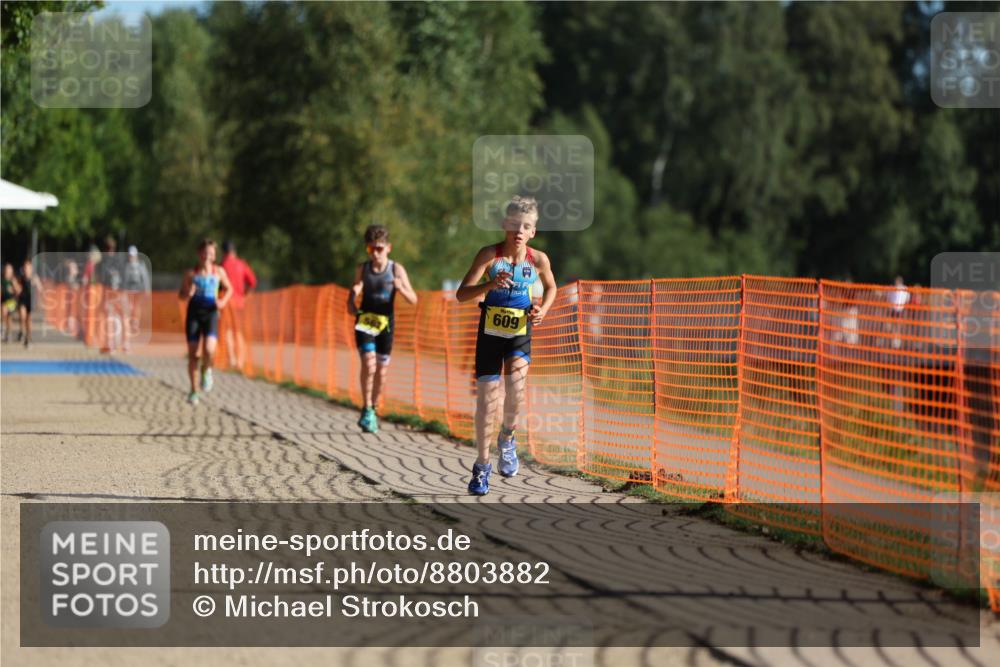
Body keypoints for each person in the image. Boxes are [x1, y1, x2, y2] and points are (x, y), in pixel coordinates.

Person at [455, 196, 557, 495]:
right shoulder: (489, 255)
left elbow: (551, 287)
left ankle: (508, 438)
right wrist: (488, 285)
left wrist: (544, 310)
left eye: (526, 226)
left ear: (533, 231)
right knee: (487, 402)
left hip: (520, 331)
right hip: (490, 333)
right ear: (504, 225)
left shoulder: (538, 260)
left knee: (516, 389)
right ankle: (482, 466)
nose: (519, 231)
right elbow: (462, 294)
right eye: (514, 225)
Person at [348, 225, 418, 433]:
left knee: (381, 370)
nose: (375, 254)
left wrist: (401, 288)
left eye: (379, 249)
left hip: (386, 325)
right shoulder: (362, 269)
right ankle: (366, 406)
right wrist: (353, 294)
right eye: (371, 249)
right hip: (365, 321)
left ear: (388, 248)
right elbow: (350, 307)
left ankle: (374, 409)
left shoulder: (397, 270)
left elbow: (414, 299)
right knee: (368, 364)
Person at [179, 239, 233, 405]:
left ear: (214, 255)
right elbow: (181, 295)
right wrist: (188, 293)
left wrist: (222, 302)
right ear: (199, 254)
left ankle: (206, 369)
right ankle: (194, 391)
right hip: (194, 314)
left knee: (209, 349)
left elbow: (230, 289)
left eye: (210, 253)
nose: (207, 256)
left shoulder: (219, 272)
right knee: (194, 354)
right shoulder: (191, 274)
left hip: (211, 313)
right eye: (204, 252)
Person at [220, 240, 257, 370]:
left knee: (228, 331)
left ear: (224, 252)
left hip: (226, 302)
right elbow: (252, 281)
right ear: (234, 251)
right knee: (239, 331)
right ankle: (240, 361)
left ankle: (232, 360)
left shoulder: (222, 265)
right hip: (240, 302)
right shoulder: (242, 264)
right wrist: (245, 295)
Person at [122, 246, 151, 352]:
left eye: (132, 255)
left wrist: (147, 290)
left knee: (137, 306)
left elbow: (145, 278)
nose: (131, 257)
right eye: (130, 255)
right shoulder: (127, 266)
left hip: (139, 290)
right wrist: (124, 290)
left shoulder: (141, 265)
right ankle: (131, 321)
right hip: (129, 290)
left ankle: (135, 321)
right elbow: (124, 279)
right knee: (129, 308)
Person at [17, 260, 42, 348]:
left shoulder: (34, 278)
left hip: (31, 301)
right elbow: (18, 288)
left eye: (28, 267)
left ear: (31, 269)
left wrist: (39, 301)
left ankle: (28, 336)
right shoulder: (21, 277)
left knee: (28, 319)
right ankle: (22, 331)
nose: (26, 269)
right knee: (23, 316)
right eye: (25, 267)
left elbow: (40, 289)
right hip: (22, 300)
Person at [2, 263, 20, 343]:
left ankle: (8, 333)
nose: (7, 271)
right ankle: (6, 331)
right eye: (6, 269)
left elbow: (18, 291)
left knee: (8, 315)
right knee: (4, 312)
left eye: (9, 270)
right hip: (3, 301)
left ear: (11, 271)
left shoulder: (13, 280)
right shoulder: (2, 280)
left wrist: (13, 289)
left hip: (12, 301)